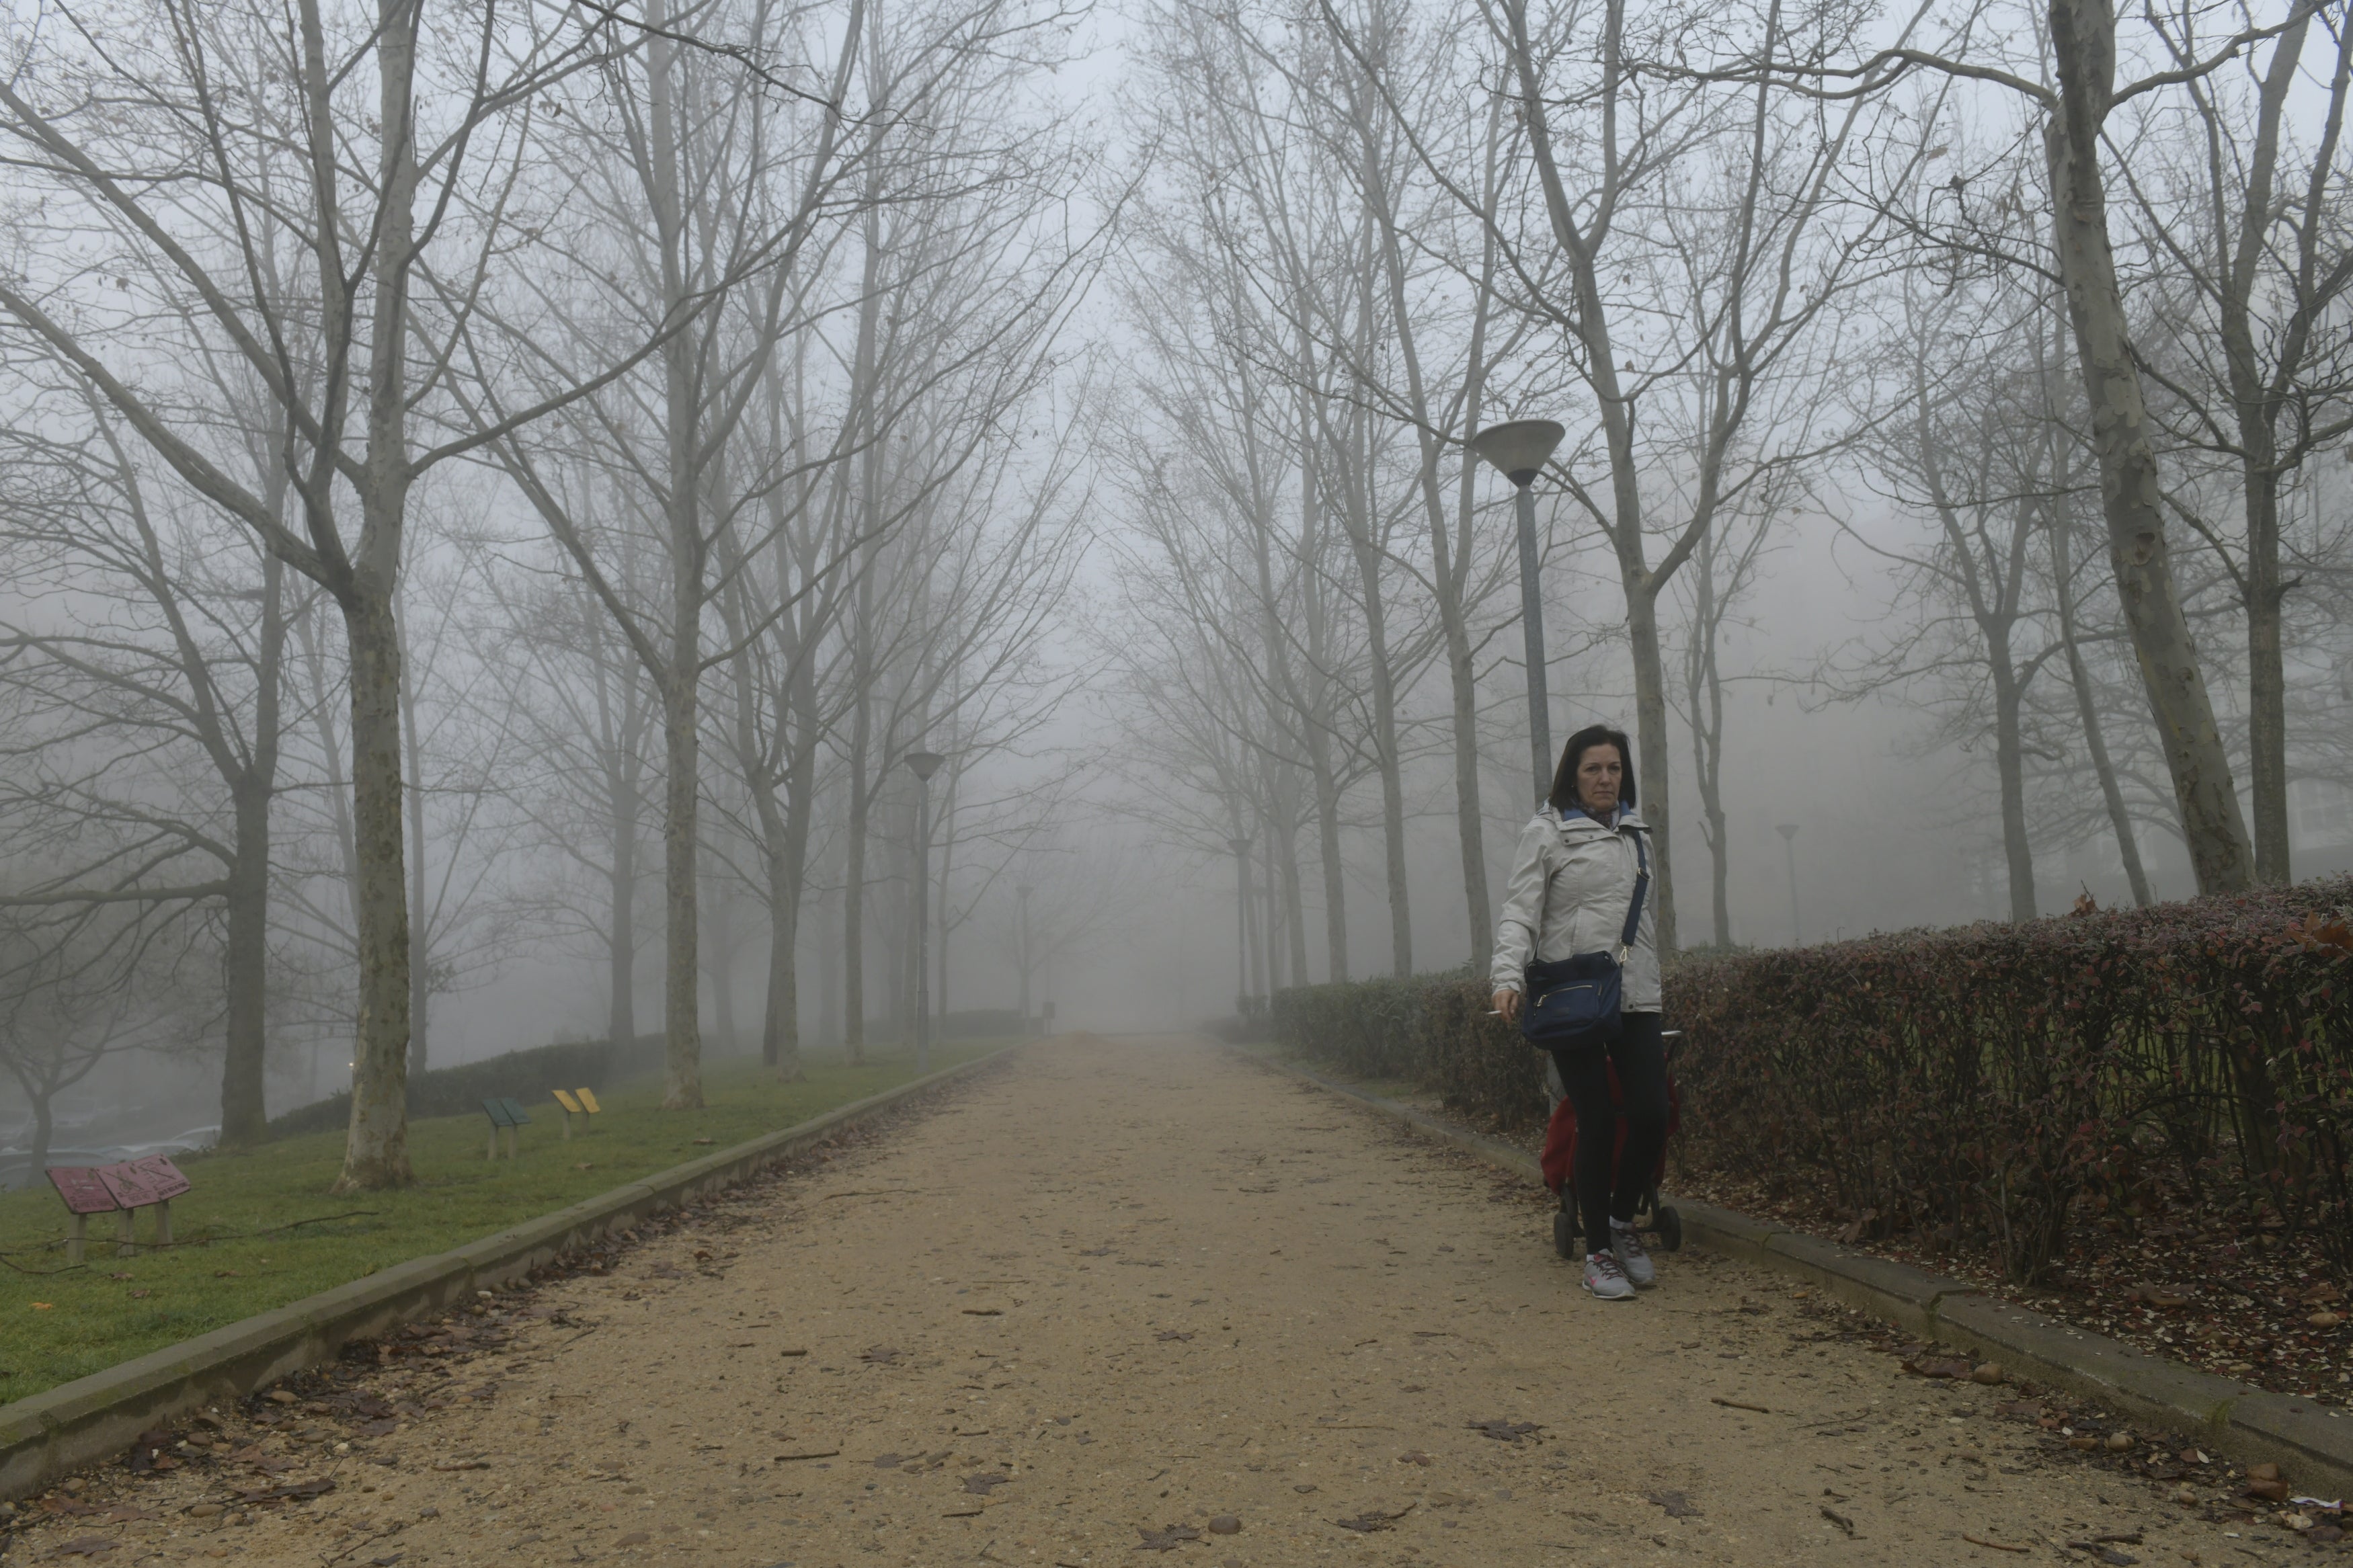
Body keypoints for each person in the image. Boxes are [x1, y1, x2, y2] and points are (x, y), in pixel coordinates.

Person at [1489, 725, 1669, 1302]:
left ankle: (1620, 1221)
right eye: (1593, 768)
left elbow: (1644, 924)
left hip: (1634, 993)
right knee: (1595, 1118)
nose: (1605, 779)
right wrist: (1507, 976)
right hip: (1570, 995)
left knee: (1650, 1113)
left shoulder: (1639, 834)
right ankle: (1596, 1253)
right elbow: (1520, 910)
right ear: (1573, 774)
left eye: (1614, 768)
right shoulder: (1547, 833)